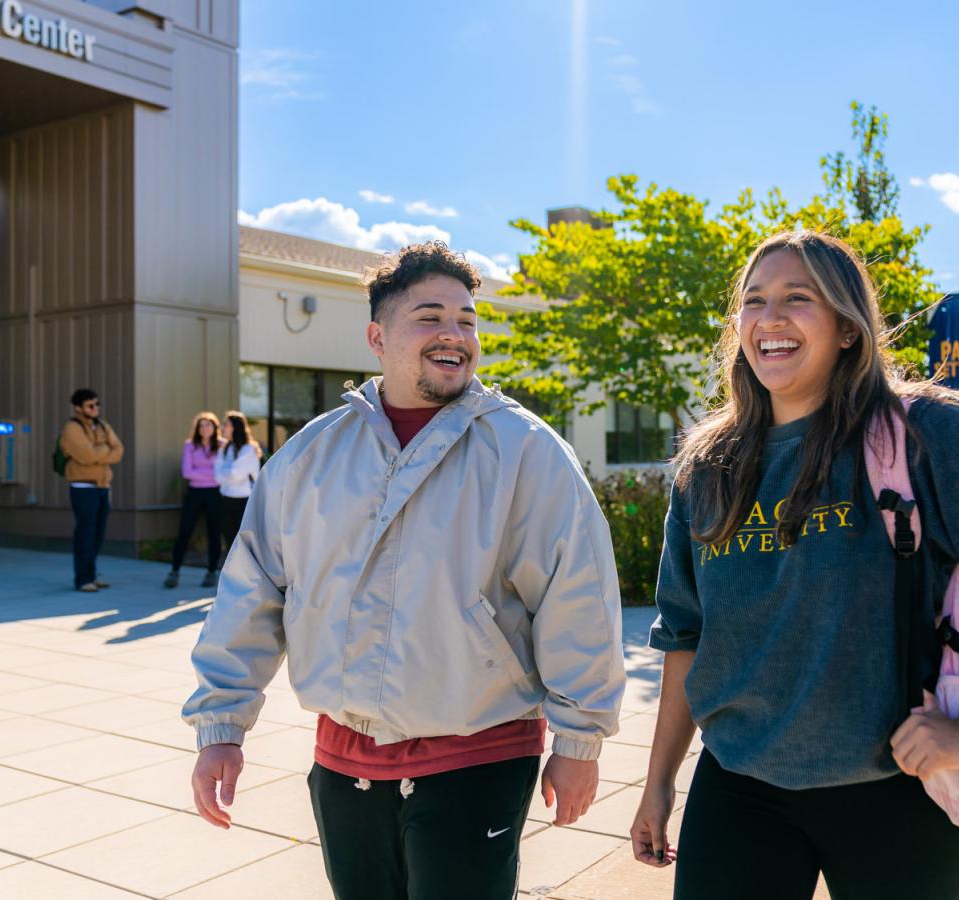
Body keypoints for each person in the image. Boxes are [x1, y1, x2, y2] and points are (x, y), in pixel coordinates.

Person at [629, 231, 959, 899]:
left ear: (846, 327)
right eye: (753, 302)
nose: (769, 319)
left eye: (797, 299)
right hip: (739, 787)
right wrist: (659, 782)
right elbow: (686, 635)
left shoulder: (924, 432)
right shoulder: (707, 466)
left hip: (899, 791)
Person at [183, 241, 626, 900]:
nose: (455, 333)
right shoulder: (311, 457)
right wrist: (221, 727)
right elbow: (251, 593)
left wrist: (579, 740)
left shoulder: (527, 452)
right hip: (343, 763)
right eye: (430, 316)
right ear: (376, 336)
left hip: (480, 757)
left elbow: (578, 599)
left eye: (467, 319)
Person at [59, 388, 124, 593]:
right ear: (79, 408)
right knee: (85, 534)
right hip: (83, 488)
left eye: (97, 404)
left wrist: (99, 451)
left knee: (97, 535)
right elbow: (86, 456)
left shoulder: (102, 426)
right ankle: (83, 579)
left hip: (103, 487)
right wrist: (105, 449)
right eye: (90, 405)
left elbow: (119, 450)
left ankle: (92, 575)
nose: (95, 408)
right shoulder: (72, 428)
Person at [165, 411, 226, 589]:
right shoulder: (190, 445)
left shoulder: (222, 446)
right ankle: (174, 571)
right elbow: (187, 472)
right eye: (201, 425)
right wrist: (212, 474)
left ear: (215, 428)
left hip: (215, 494)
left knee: (214, 534)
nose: (204, 428)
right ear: (197, 428)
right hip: (194, 494)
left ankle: (211, 572)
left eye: (208, 425)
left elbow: (222, 475)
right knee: (184, 532)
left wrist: (202, 474)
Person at [213, 412, 260, 553]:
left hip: (244, 501)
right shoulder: (226, 448)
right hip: (225, 499)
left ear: (236, 427)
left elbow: (235, 474)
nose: (222, 428)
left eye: (226, 425)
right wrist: (226, 470)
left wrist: (225, 472)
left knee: (243, 544)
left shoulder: (248, 449)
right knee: (229, 541)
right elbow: (217, 476)